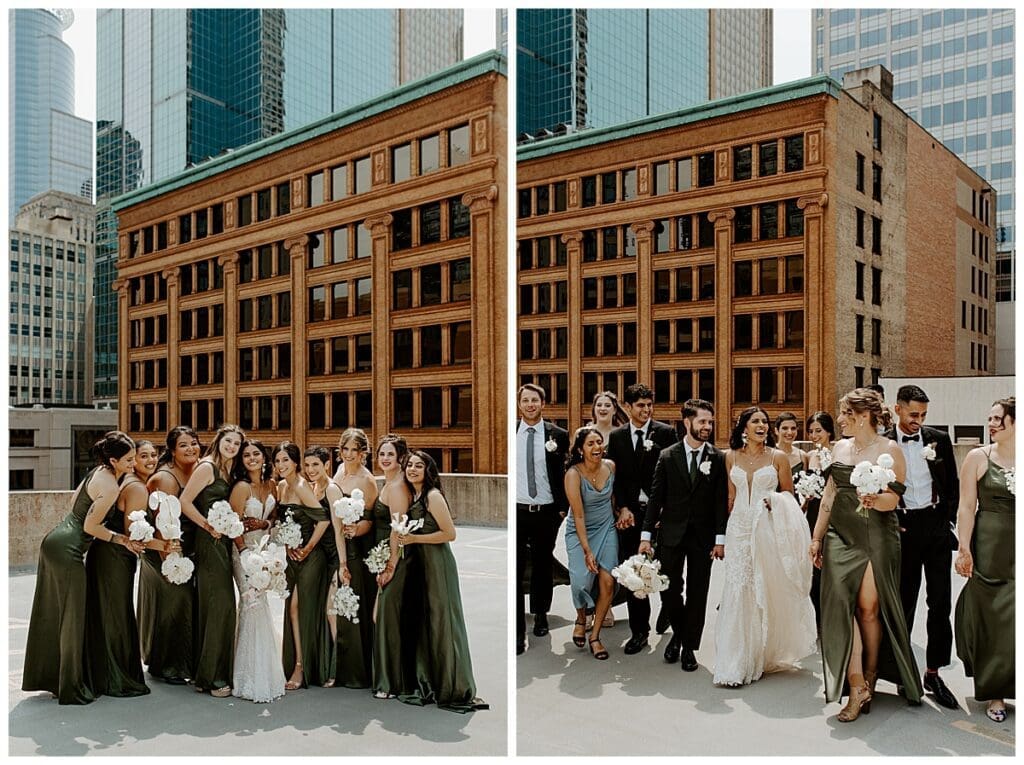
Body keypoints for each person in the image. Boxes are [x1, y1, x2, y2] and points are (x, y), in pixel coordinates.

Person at [810, 388, 922, 722]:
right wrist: (816, 538)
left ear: (862, 415)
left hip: (876, 537)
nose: (840, 419)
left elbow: (894, 500)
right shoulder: (839, 448)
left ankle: (871, 674)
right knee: (839, 607)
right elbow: (829, 496)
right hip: (839, 536)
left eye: (844, 413)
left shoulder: (890, 450)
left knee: (868, 610)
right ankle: (856, 685)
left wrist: (876, 498)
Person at [22, 432, 152, 704]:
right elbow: (89, 527)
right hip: (67, 549)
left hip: (56, 539)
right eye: (128, 460)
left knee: (55, 613)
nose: (132, 465)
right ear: (114, 460)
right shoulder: (112, 487)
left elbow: (74, 505)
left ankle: (56, 678)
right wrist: (121, 539)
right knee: (72, 617)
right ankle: (71, 687)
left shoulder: (97, 472)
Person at [713, 408, 816, 686]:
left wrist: (774, 500)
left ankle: (763, 651)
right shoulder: (730, 457)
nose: (761, 425)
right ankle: (736, 658)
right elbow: (729, 499)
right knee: (737, 587)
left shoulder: (777, 457)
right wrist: (720, 538)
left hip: (765, 528)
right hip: (738, 529)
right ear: (743, 427)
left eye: (764, 422)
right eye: (755, 421)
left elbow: (789, 498)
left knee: (763, 586)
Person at [394, 450, 488, 712]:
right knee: (426, 622)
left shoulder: (433, 496)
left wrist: (414, 539)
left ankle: (452, 685)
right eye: (409, 465)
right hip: (420, 565)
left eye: (418, 466)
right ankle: (430, 680)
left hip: (437, 565)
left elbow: (450, 534)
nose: (412, 469)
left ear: (428, 470)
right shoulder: (414, 495)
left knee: (442, 622)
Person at [886, 385, 961, 709]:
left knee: (940, 602)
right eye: (913, 414)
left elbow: (953, 486)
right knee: (904, 603)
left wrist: (946, 522)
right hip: (902, 528)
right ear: (897, 409)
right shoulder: (884, 444)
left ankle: (933, 673)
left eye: (924, 415)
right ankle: (904, 672)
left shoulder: (938, 440)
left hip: (936, 528)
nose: (919, 421)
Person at [639, 399, 727, 672]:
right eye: (702, 421)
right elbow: (655, 498)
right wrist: (645, 535)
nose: (707, 427)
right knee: (669, 589)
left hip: (703, 538)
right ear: (687, 422)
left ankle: (688, 646)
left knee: (698, 592)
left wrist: (719, 540)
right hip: (671, 534)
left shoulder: (718, 457)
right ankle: (679, 632)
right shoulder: (667, 456)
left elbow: (720, 501)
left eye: (710, 422)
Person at [85, 439, 162, 698]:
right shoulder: (137, 489)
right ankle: (116, 679)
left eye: (154, 455)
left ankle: (103, 674)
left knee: (109, 613)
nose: (150, 460)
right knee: (116, 614)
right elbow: (134, 537)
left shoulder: (119, 479)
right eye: (142, 456)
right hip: (115, 556)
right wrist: (167, 545)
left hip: (106, 553)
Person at [954, 397, 1015, 723]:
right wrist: (964, 547)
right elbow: (966, 507)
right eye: (989, 418)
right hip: (990, 547)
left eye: (997, 419)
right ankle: (996, 693)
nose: (991, 424)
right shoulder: (978, 457)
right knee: (993, 620)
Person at [606, 383, 678, 654]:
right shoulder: (618, 437)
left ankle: (669, 611)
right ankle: (639, 632)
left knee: (666, 568)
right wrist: (622, 508)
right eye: (640, 405)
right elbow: (617, 478)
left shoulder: (666, 432)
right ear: (628, 407)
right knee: (634, 572)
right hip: (631, 516)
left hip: (659, 514)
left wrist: (663, 511)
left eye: (649, 405)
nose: (646, 410)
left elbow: (674, 476)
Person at [180, 424, 245, 697]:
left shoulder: (228, 470)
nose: (232, 446)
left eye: (236, 444)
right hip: (209, 542)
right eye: (228, 441)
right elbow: (184, 501)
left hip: (223, 540)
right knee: (219, 605)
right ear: (218, 441)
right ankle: (211, 678)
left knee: (221, 607)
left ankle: (212, 672)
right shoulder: (206, 467)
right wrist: (207, 526)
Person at [140, 426, 200, 685]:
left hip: (187, 546)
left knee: (185, 604)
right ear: (172, 451)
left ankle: (183, 661)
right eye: (184, 445)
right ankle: (168, 665)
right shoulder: (165, 478)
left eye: (194, 443)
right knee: (176, 601)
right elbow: (161, 522)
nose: (191, 448)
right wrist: (170, 559)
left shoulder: (196, 470)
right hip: (166, 550)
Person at [228, 439, 285, 703]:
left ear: (265, 457)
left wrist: (264, 522)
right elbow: (232, 524)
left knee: (263, 606)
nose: (252, 458)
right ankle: (246, 675)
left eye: (256, 454)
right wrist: (244, 553)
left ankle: (267, 670)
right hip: (245, 553)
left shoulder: (272, 485)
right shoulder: (241, 488)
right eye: (247, 455)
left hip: (265, 550)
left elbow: (274, 518)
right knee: (251, 604)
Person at [274, 441, 333, 690]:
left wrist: (307, 547)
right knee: (292, 608)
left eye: (286, 460)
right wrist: (288, 545)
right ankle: (296, 662)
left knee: (298, 609)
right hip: (292, 556)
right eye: (277, 461)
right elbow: (283, 521)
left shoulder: (300, 486)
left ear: (295, 462)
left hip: (311, 556)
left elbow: (323, 520)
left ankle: (302, 666)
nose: (281, 465)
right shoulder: (280, 487)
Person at [515, 383, 569, 654]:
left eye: (534, 400)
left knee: (542, 565)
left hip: (546, 511)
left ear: (543, 403)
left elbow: (563, 472)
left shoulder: (558, 435)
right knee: (516, 566)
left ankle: (540, 615)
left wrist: (562, 508)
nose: (530, 404)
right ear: (519, 404)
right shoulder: (511, 432)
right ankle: (517, 622)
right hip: (518, 511)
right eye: (525, 400)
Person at [563, 427, 619, 659]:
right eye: (590, 444)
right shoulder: (573, 474)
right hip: (580, 532)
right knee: (580, 581)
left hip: (607, 528)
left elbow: (614, 498)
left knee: (607, 581)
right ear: (580, 449)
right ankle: (580, 617)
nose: (597, 447)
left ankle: (595, 636)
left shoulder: (611, 466)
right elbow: (578, 515)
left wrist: (621, 513)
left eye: (599, 442)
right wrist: (586, 550)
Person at [330, 428, 378, 689]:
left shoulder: (366, 480)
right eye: (345, 449)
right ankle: (341, 667)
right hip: (337, 544)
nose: (349, 455)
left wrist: (357, 529)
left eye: (355, 451)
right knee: (339, 606)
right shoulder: (340, 471)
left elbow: (371, 520)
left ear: (363, 453)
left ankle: (358, 673)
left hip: (357, 548)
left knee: (354, 603)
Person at [371, 434, 416, 699]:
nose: (385, 459)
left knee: (385, 617)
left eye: (390, 454)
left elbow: (398, 531)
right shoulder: (387, 483)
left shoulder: (398, 486)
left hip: (397, 559)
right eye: (382, 454)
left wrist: (390, 566)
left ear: (400, 458)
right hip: (384, 556)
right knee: (382, 617)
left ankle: (391, 682)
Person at [303, 445, 341, 687]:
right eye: (306, 465)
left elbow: (337, 530)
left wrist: (344, 563)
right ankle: (324, 665)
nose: (310, 469)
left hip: (335, 555)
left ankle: (339, 668)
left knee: (332, 612)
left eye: (316, 464)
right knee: (323, 611)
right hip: (320, 557)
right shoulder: (312, 488)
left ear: (327, 464)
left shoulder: (332, 489)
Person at [803, 411, 836, 629]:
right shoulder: (809, 456)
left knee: (831, 564)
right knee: (814, 566)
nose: (815, 435)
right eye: (812, 431)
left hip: (832, 512)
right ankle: (818, 618)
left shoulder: (839, 452)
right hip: (813, 511)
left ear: (829, 432)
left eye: (819, 431)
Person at [774, 412, 808, 479]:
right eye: (785, 428)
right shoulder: (769, 453)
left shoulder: (802, 456)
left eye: (793, 428)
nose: (789, 432)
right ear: (776, 431)